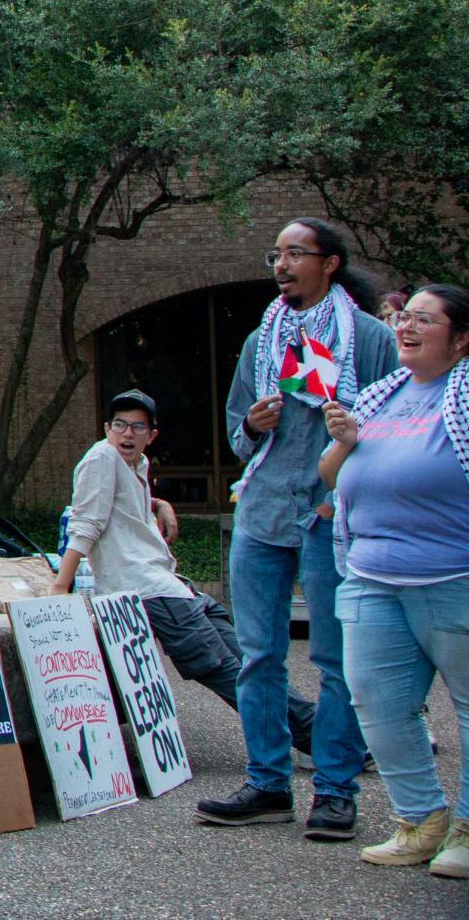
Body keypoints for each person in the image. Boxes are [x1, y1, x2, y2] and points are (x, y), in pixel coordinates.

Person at [196, 218, 394, 839]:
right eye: (275, 255)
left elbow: (395, 425)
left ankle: (335, 790)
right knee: (258, 656)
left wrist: (354, 456)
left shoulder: (366, 338)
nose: (280, 265)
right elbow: (235, 431)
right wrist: (254, 425)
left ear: (329, 263)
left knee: (337, 660)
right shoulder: (264, 339)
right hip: (261, 514)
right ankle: (268, 782)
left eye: (295, 254)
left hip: (331, 515)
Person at [54, 388, 317, 759]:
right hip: (148, 591)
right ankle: (318, 737)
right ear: (106, 429)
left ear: (152, 436)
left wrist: (160, 504)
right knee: (230, 671)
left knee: (249, 663)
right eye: (119, 425)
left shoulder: (136, 466)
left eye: (137, 427)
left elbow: (122, 507)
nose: (127, 434)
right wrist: (58, 586)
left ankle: (321, 732)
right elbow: (85, 524)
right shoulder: (101, 458)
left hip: (173, 586)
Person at [319, 283, 469, 878]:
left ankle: (467, 831)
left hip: (454, 576)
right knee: (378, 706)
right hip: (370, 577)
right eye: (405, 317)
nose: (405, 326)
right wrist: (344, 444)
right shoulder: (381, 396)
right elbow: (332, 478)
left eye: (425, 321)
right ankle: (420, 822)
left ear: (461, 339)